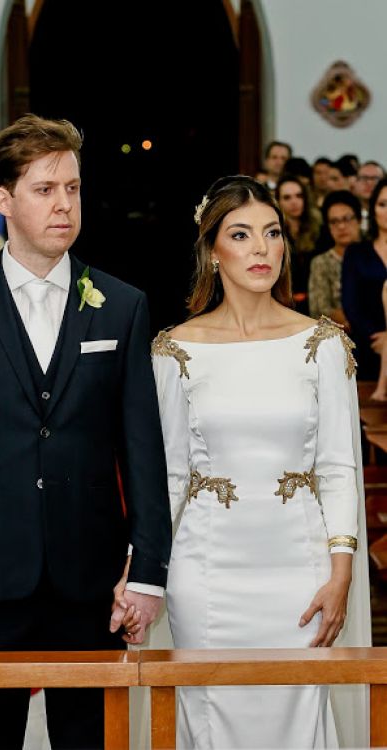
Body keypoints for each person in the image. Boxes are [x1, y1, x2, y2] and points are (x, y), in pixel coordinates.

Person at [0, 114, 172, 750]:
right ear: (4, 200)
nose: (64, 205)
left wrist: (146, 572)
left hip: (93, 580)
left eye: (73, 189)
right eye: (45, 189)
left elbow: (142, 447)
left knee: (91, 740)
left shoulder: (122, 305)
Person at [151, 175, 370, 749]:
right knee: (207, 720)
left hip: (299, 571)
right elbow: (169, 477)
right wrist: (140, 564)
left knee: (297, 717)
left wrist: (341, 572)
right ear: (212, 251)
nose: (261, 249)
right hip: (206, 572)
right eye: (241, 234)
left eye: (272, 233)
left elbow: (338, 469)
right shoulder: (176, 349)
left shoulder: (322, 344)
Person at [342, 176, 387, 380]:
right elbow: (351, 305)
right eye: (382, 204)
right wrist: (380, 339)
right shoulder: (356, 252)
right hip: (368, 346)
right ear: (373, 209)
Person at [308, 190, 361, 325]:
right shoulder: (321, 262)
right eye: (334, 221)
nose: (341, 226)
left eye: (347, 219)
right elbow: (320, 310)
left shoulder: (374, 254)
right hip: (339, 333)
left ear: (359, 220)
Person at [275, 174, 322, 314]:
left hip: (317, 303)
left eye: (299, 196)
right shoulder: (274, 232)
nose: (294, 202)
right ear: (278, 201)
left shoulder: (320, 229)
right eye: (287, 197)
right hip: (283, 305)